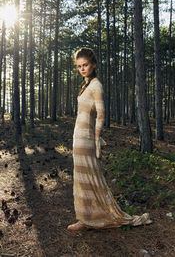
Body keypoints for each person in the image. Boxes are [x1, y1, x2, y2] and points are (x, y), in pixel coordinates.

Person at [67, 47, 152, 231]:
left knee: (91, 178)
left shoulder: (96, 85)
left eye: (86, 65)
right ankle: (84, 218)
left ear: (94, 64)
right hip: (78, 136)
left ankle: (100, 216)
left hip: (87, 138)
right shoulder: (86, 85)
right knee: (81, 180)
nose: (82, 68)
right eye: (79, 66)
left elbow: (101, 115)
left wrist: (97, 139)